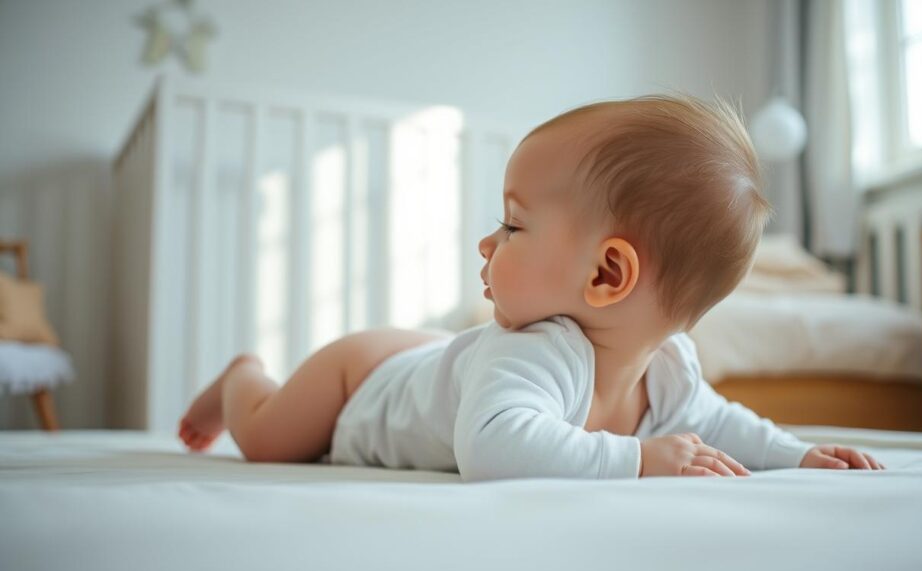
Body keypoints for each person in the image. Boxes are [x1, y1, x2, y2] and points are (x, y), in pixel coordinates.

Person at [178, 95, 884, 480]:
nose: (487, 243)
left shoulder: (669, 367)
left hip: (440, 360)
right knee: (270, 439)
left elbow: (721, 422)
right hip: (362, 379)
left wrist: (795, 453)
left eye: (511, 226)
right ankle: (244, 375)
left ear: (607, 275)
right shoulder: (534, 348)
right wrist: (640, 458)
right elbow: (493, 445)